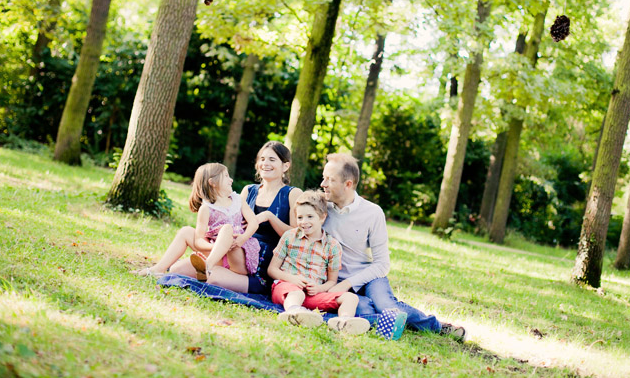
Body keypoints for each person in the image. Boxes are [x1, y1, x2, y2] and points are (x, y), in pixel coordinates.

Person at [320, 153, 467, 342]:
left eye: (330, 180)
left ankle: (437, 326)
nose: (323, 184)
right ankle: (383, 320)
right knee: (363, 309)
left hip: (370, 277)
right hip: (336, 279)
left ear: (348, 184)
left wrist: (347, 284)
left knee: (386, 306)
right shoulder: (321, 208)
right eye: (323, 178)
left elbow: (382, 264)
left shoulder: (372, 212)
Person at [133, 141, 301, 294]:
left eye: (272, 159)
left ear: (285, 166)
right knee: (177, 270)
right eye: (262, 159)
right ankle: (158, 268)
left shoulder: (292, 194)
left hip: (258, 264)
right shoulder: (248, 190)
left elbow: (297, 236)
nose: (265, 163)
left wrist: (269, 216)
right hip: (228, 249)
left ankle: (210, 267)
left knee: (213, 278)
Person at [268, 190, 370, 335]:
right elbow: (272, 269)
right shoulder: (290, 236)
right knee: (296, 293)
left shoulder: (332, 246)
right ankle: (294, 313)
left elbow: (332, 281)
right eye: (300, 217)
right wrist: (293, 279)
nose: (304, 222)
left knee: (351, 297)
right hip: (286, 288)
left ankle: (344, 321)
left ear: (322, 217)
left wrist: (319, 289)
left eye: (310, 216)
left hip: (313, 295)